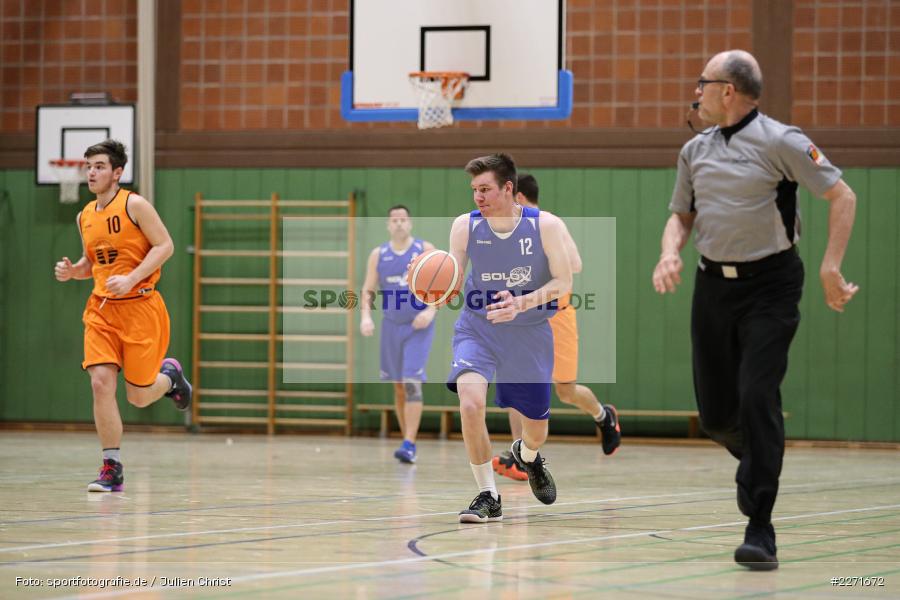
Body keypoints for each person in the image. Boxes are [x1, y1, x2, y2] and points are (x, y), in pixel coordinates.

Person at [652, 50, 858, 570]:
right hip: (712, 287)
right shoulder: (693, 150)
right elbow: (681, 215)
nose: (696, 91)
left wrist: (832, 267)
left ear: (729, 90)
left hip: (771, 284)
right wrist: (668, 251)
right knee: (719, 416)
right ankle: (762, 455)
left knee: (757, 393)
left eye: (704, 83)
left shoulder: (782, 141)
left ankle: (759, 524)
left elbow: (844, 197)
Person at [54, 139, 192, 492]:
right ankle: (111, 467)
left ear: (117, 173)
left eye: (99, 166)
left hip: (141, 308)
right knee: (100, 383)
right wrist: (75, 271)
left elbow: (166, 246)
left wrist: (131, 277)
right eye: (89, 167)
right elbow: (93, 264)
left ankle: (171, 378)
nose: (92, 173)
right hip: (101, 311)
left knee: (139, 397)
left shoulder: (135, 205)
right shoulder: (83, 215)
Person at [447, 153, 573, 523]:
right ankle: (488, 495)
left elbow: (564, 282)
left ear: (509, 189)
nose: (478, 197)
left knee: (536, 431)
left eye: (485, 189)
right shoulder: (464, 227)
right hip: (478, 328)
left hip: (528, 333)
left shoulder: (544, 226)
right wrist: (424, 281)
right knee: (470, 404)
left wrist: (522, 303)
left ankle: (528, 456)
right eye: (474, 190)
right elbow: (452, 283)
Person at [492, 174, 621, 481]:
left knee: (565, 390)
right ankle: (518, 456)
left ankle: (604, 416)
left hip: (557, 316)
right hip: (524, 318)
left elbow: (575, 265)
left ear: (519, 198)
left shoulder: (550, 224)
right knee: (515, 384)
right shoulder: (506, 231)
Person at [360, 205, 437, 463]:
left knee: (412, 381)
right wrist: (366, 317)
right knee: (399, 386)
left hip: (418, 326)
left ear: (410, 223)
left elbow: (441, 285)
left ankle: (409, 442)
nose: (399, 224)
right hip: (391, 326)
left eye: (403, 219)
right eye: (394, 220)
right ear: (388, 225)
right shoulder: (378, 254)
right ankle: (407, 442)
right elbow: (368, 288)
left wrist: (430, 311)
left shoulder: (425, 250)